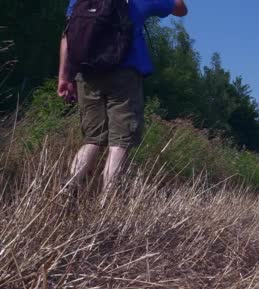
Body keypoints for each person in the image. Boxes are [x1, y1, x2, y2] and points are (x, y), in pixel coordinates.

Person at [57, 0, 188, 195]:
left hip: (86, 74)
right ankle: (107, 204)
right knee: (119, 142)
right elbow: (181, 9)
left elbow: (68, 36)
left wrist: (64, 77)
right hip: (124, 75)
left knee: (92, 139)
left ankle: (67, 191)